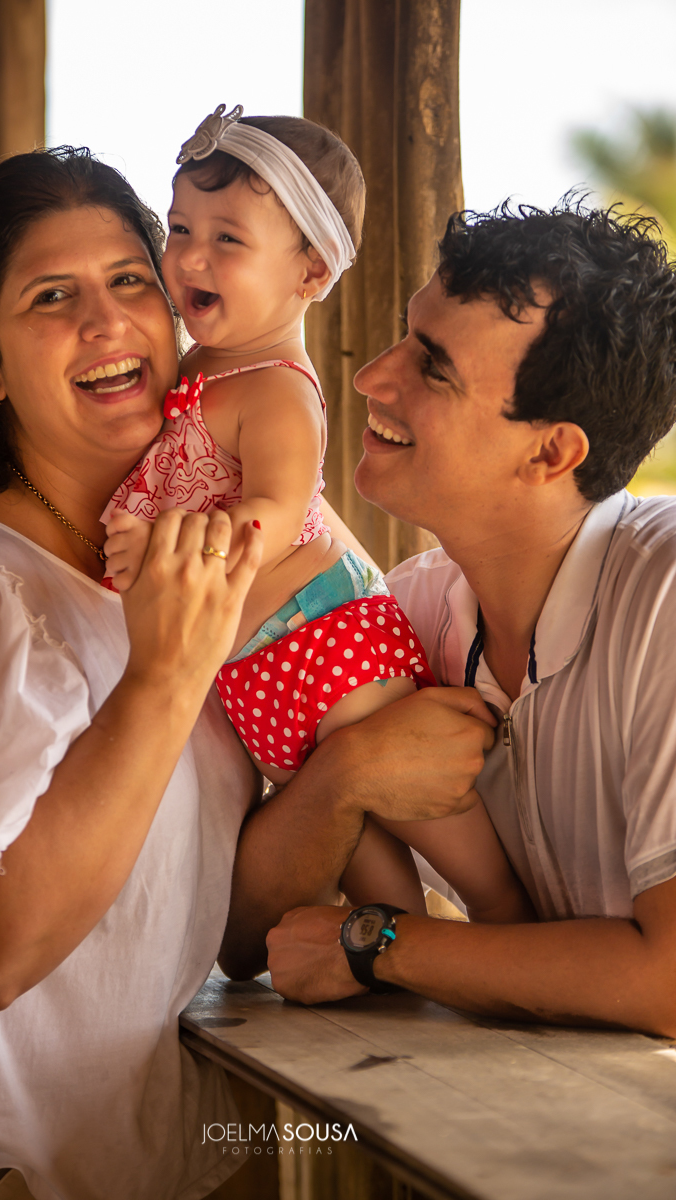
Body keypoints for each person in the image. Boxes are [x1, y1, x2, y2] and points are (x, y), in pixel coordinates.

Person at [0, 147, 265, 1200]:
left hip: (153, 1157)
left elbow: (210, 912)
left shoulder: (191, 564)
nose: (106, 323)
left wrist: (359, 778)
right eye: (54, 297)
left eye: (130, 280)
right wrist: (164, 678)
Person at [226, 201, 676, 1037]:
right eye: (407, 336)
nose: (370, 377)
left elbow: (671, 982)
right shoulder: (411, 610)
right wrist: (347, 771)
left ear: (551, 453)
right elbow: (247, 939)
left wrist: (380, 944)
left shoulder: (667, 600)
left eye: (433, 368)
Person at [103, 106, 531, 924]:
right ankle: (409, 964)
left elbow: (274, 509)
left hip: (328, 648)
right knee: (358, 853)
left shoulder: (276, 388)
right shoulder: (195, 365)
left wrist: (166, 547)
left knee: (430, 820)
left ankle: (516, 925)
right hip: (257, 679)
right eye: (181, 226)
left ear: (309, 274)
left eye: (228, 239)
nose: (191, 254)